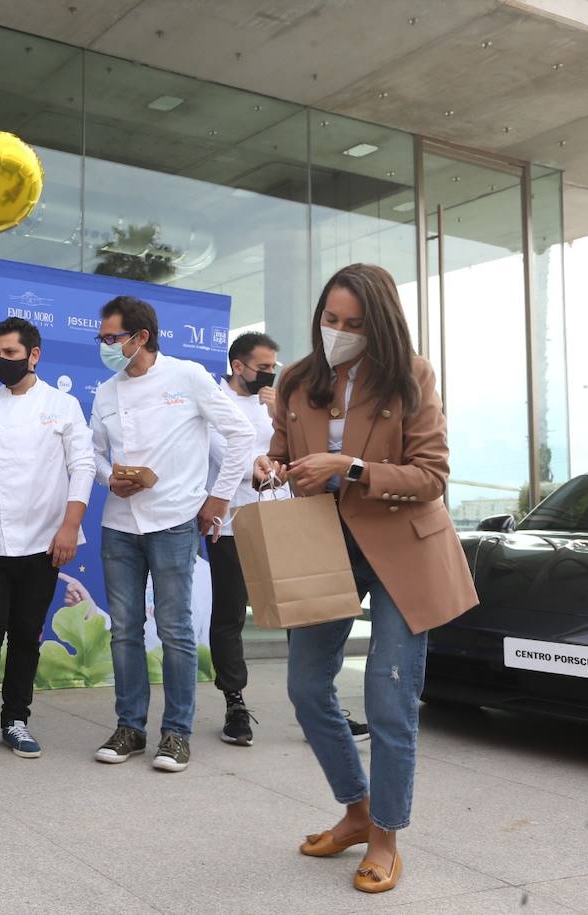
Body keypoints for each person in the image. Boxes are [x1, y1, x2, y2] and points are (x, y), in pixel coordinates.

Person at [258, 263, 475, 894]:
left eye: (353, 324)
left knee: (388, 694)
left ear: (377, 324)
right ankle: (355, 811)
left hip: (405, 549)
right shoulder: (298, 378)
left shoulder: (411, 375)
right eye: (330, 320)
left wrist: (350, 467)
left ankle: (385, 837)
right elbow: (280, 449)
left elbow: (432, 475)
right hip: (323, 545)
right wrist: (267, 465)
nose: (338, 332)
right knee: (305, 688)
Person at [89, 296, 254, 773]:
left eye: (111, 338)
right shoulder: (105, 392)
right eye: (101, 338)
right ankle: (130, 728)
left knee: (176, 631)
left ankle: (177, 733)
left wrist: (219, 497)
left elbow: (240, 435)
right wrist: (108, 478)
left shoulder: (188, 377)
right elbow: (94, 453)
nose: (105, 346)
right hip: (119, 525)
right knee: (124, 631)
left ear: (141, 337)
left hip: (175, 522)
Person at [0, 317, 95, 759]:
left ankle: (16, 719)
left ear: (34, 355)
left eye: (10, 354)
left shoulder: (63, 405)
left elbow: (82, 466)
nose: (2, 361)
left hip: (44, 541)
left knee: (27, 632)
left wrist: (70, 527)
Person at [204, 331, 283, 746]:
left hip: (282, 518)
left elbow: (294, 449)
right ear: (239, 365)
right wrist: (257, 463)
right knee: (231, 613)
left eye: (274, 368)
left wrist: (283, 416)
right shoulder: (215, 400)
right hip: (231, 522)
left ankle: (317, 704)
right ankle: (235, 704)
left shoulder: (276, 404)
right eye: (263, 368)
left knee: (299, 612)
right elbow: (224, 453)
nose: (269, 375)